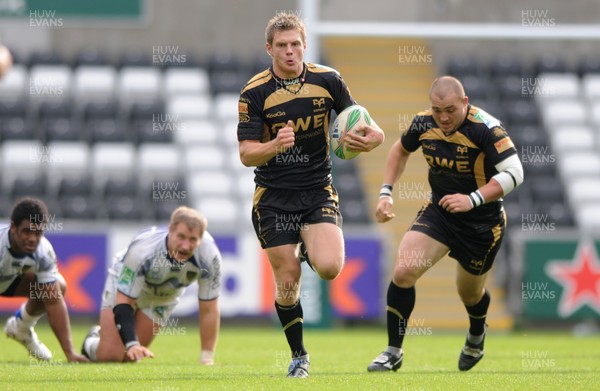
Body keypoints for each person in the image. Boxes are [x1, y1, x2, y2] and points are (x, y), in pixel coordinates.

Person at [237, 12, 385, 378]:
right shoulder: (254, 92)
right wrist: (274, 144)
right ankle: (299, 355)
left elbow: (367, 124)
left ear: (305, 45)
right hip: (273, 196)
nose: (290, 52)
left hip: (317, 189)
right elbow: (245, 154)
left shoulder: (328, 79)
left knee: (331, 268)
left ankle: (306, 247)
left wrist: (371, 140)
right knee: (287, 280)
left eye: (296, 45)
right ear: (269, 48)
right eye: (282, 46)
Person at [367, 76, 524, 372]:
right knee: (403, 271)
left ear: (465, 103)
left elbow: (515, 173)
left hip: (482, 223)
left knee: (470, 293)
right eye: (437, 110)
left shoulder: (486, 129)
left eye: (450, 110)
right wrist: (386, 192)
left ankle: (476, 335)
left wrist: (473, 199)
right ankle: (393, 351)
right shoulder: (423, 123)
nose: (443, 117)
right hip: (439, 213)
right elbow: (400, 150)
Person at [81, 206, 221, 364]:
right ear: (170, 230)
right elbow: (124, 302)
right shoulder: (143, 250)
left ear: (200, 239)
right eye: (181, 237)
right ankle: (92, 340)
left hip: (164, 296)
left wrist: (207, 359)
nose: (185, 246)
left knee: (130, 357)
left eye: (193, 239)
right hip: (124, 281)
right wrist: (132, 343)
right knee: (110, 356)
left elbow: (209, 309)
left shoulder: (210, 258)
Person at [1, 197, 89, 362]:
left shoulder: (43, 251)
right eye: (27, 231)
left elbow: (54, 302)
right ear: (13, 227)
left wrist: (70, 353)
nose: (33, 238)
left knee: (57, 287)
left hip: (8, 282)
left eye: (38, 232)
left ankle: (22, 327)